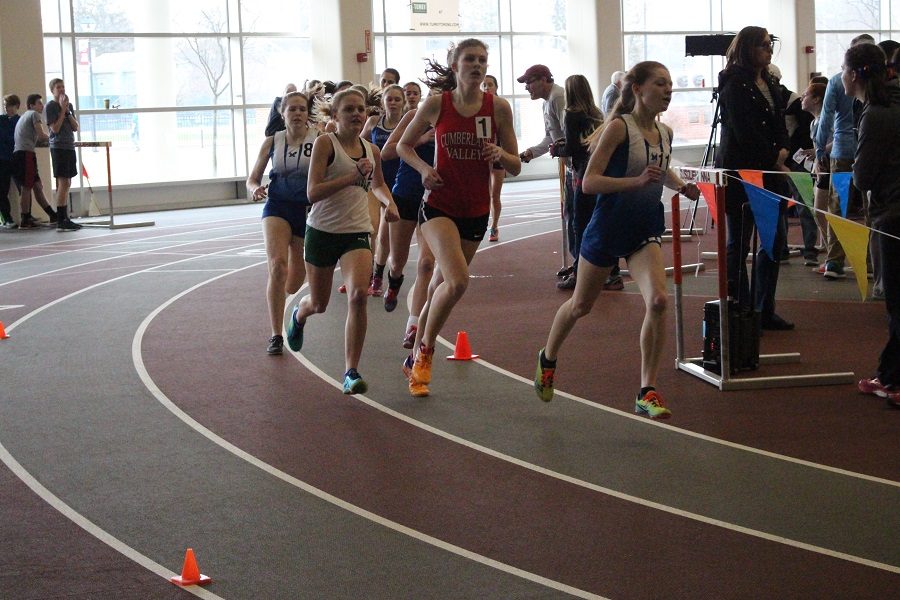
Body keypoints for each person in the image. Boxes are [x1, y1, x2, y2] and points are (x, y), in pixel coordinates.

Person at [534, 61, 699, 419]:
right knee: (581, 306)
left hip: (643, 228)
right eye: (660, 83)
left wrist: (680, 185)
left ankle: (647, 389)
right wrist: (635, 183)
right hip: (607, 228)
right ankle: (547, 357)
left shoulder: (666, 132)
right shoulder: (617, 129)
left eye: (671, 84)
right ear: (638, 89)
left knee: (657, 301)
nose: (668, 89)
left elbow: (659, 168)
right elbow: (590, 183)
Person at [397, 38, 521, 397]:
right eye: (470, 59)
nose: (477, 65)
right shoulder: (438, 104)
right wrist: (423, 168)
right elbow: (402, 145)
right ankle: (424, 353)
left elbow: (514, 165)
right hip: (439, 205)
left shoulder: (498, 108)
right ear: (455, 65)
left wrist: (500, 153)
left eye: (483, 60)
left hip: (476, 210)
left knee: (441, 284)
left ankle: (415, 344)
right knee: (458, 281)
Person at [286, 89, 399, 394]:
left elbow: (378, 185)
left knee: (359, 295)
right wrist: (350, 178)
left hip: (356, 231)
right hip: (322, 231)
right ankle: (300, 313)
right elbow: (312, 193)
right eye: (348, 109)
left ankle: (351, 371)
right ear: (334, 116)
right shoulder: (326, 144)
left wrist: (389, 203)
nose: (356, 114)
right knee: (319, 304)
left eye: (360, 109)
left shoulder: (371, 150)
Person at [714, 26, 793, 331]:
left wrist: (784, 148)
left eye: (770, 44)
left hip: (770, 170)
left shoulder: (770, 82)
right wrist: (775, 156)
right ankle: (741, 308)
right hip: (740, 173)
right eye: (763, 45)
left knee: (774, 240)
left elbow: (780, 121)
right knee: (739, 243)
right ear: (747, 48)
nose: (769, 50)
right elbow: (744, 131)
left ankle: (764, 309)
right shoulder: (734, 83)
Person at [846, 43, 900, 408]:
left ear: (853, 75)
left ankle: (894, 380)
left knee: (898, 302)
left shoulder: (877, 113)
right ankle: (889, 374)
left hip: (893, 214)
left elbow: (862, 177)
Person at [246, 91, 318, 355]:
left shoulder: (320, 139)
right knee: (277, 267)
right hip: (277, 206)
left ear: (307, 113)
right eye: (292, 109)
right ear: (282, 113)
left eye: (302, 109)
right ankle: (276, 334)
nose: (297, 113)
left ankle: (293, 312)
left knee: (293, 283)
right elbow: (252, 178)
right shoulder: (272, 142)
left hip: (307, 210)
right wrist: (255, 188)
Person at [815, 34, 875, 280]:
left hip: (842, 152)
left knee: (838, 207)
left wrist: (820, 149)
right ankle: (872, 262)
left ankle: (834, 261)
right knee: (872, 207)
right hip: (868, 149)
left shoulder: (836, 82)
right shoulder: (878, 82)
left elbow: (825, 117)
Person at [380, 96, 437, 342]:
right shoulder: (415, 116)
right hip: (406, 192)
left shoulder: (458, 121)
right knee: (397, 260)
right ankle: (394, 279)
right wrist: (422, 138)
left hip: (434, 197)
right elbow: (388, 151)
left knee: (426, 264)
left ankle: (413, 324)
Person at [552, 74, 604, 291]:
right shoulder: (597, 114)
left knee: (578, 223)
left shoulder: (571, 115)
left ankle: (580, 271)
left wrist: (557, 149)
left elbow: (573, 148)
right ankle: (607, 271)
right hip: (598, 172)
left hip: (581, 174)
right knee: (597, 222)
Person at [517, 65, 572, 271]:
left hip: (578, 166)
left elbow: (569, 136)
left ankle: (586, 268)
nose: (527, 88)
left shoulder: (559, 97)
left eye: (529, 83)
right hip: (570, 166)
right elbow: (552, 136)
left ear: (543, 80)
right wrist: (531, 152)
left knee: (577, 218)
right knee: (572, 216)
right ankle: (579, 266)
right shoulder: (547, 103)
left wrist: (564, 153)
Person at [361, 84, 405, 297]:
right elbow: (359, 146)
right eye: (390, 99)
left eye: (398, 99)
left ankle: (378, 275)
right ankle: (368, 275)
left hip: (397, 184)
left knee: (385, 235)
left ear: (403, 102)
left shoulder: (409, 124)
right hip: (374, 181)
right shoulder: (373, 122)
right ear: (383, 102)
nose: (394, 103)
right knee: (372, 228)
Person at [12, 93, 56, 229]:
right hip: (25, 155)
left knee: (37, 186)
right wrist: (55, 138)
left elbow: (34, 138)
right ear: (31, 105)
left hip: (22, 154)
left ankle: (53, 215)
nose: (42, 106)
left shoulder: (24, 116)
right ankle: (25, 219)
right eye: (39, 103)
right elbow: (42, 135)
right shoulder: (34, 115)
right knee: (26, 188)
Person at [44, 78, 81, 231]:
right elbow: (55, 129)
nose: (61, 89)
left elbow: (75, 126)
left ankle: (65, 217)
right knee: (63, 183)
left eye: (63, 86)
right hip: (58, 147)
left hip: (69, 146)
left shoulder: (68, 106)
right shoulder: (51, 106)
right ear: (52, 90)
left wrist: (67, 111)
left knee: (68, 183)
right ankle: (60, 219)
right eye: (58, 87)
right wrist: (60, 111)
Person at [481, 74, 505, 242]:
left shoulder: (501, 107)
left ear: (496, 87)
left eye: (490, 84)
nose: (486, 87)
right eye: (484, 85)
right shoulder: (478, 106)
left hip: (498, 155)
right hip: (482, 155)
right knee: (483, 193)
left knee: (494, 195)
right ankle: (480, 222)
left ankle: (494, 226)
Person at [1, 94, 20, 228]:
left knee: (24, 188)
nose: (6, 108)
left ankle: (26, 215)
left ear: (16, 106)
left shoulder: (20, 120)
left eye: (8, 105)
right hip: (2, 159)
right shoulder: (1, 120)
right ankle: (7, 218)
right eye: (4, 105)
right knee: (2, 190)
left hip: (16, 157)